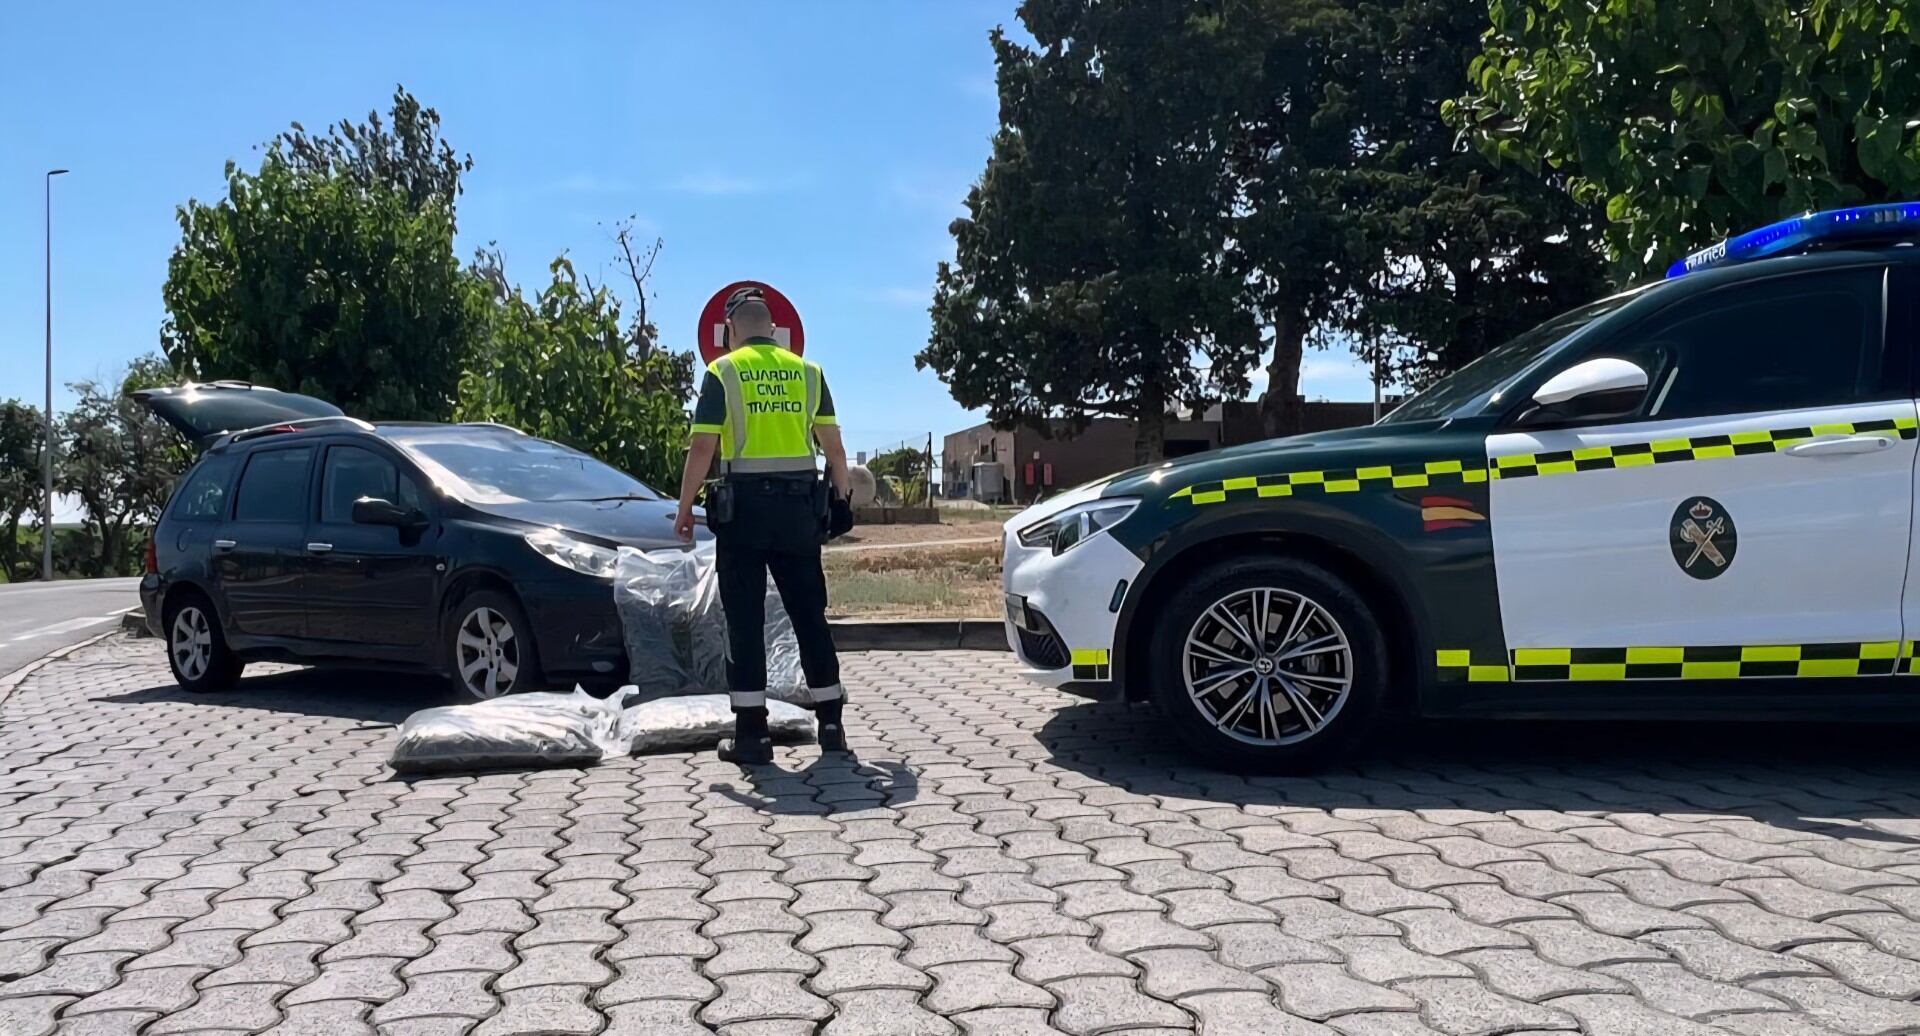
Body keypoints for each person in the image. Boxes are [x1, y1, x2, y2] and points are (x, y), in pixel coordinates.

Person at [675, 287, 855, 764]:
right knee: (808, 617)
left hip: (744, 516)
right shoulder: (809, 373)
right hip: (799, 515)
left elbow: (702, 450)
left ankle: (752, 736)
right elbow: (834, 449)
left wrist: (683, 507)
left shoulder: (723, 372)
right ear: (774, 330)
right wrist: (840, 500)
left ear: (731, 331)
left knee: (745, 623)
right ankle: (831, 725)